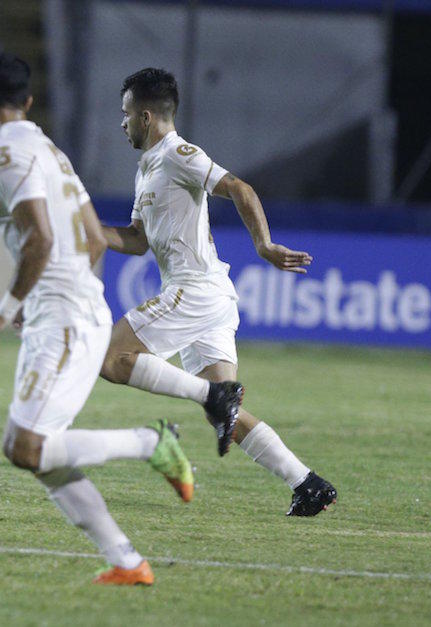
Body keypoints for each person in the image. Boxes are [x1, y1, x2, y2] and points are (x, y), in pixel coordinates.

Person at [0, 53, 199, 586]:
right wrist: (53, 298)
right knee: (38, 452)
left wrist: (8, 309)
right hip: (68, 311)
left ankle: (151, 442)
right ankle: (126, 561)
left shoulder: (8, 155)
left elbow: (43, 239)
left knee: (23, 446)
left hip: (66, 317)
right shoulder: (49, 150)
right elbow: (92, 236)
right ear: (27, 101)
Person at [100, 67, 337, 516]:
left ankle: (215, 397)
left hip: (195, 292)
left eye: (126, 114)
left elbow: (239, 188)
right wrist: (91, 232)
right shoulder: (147, 168)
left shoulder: (177, 154)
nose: (122, 122)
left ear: (147, 117)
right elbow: (134, 240)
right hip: (211, 298)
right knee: (219, 411)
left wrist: (264, 245)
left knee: (110, 359)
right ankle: (307, 483)